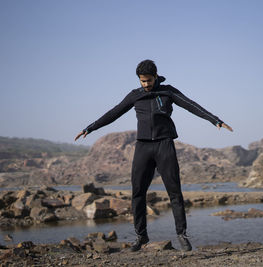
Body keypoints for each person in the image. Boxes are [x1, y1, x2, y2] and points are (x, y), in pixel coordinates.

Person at [75, 60, 233, 252]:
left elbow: (191, 105)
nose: (146, 85)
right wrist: (90, 128)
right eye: (143, 81)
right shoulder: (135, 96)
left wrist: (215, 120)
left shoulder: (168, 92)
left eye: (149, 80)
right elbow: (113, 113)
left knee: (174, 192)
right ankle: (141, 236)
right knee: (138, 193)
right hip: (143, 147)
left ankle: (181, 235)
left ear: (156, 76)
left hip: (164, 144)